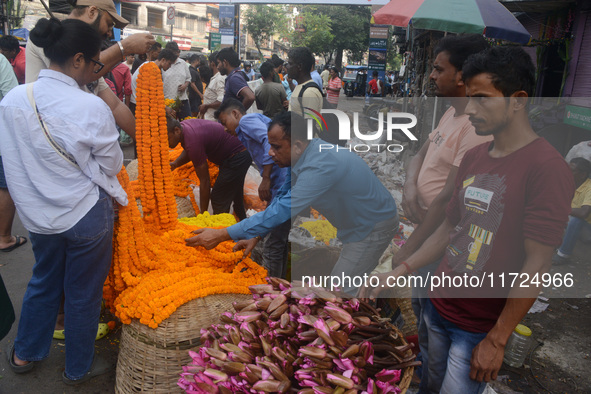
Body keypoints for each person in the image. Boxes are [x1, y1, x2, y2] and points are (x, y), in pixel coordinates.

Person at [361, 46, 574, 394]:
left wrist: (498, 339)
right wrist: (400, 270)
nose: (470, 108)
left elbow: (537, 264)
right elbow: (449, 228)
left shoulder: (547, 169)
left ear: (517, 100)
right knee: (427, 382)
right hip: (437, 304)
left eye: (481, 98)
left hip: (477, 326)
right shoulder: (475, 157)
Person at [1, 17, 127, 384]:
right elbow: (112, 164)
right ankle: (77, 368)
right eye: (95, 64)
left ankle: (25, 354)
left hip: (38, 219)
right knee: (83, 294)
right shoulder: (90, 107)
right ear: (77, 60)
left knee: (43, 282)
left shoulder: (11, 100)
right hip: (85, 216)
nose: (96, 71)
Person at [185, 112, 398, 295]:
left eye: (276, 147)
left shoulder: (319, 167)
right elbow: (281, 198)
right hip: (355, 226)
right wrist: (256, 235)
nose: (269, 153)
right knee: (342, 286)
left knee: (338, 292)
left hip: (371, 227)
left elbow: (283, 209)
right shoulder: (300, 158)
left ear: (297, 145)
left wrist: (222, 234)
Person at [391, 33, 491, 392]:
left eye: (438, 68)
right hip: (425, 231)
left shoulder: (477, 129)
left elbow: (451, 201)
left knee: (436, 322)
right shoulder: (452, 111)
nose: (432, 76)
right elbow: (419, 153)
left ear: (463, 75)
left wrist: (409, 251)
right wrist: (410, 187)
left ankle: (429, 382)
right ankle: (423, 375)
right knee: (422, 314)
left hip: (442, 241)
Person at [25, 0, 156, 141]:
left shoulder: (88, 61)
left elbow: (116, 106)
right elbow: (75, 75)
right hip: (50, 144)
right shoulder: (53, 37)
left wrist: (148, 142)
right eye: (109, 24)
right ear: (92, 12)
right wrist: (124, 47)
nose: (109, 33)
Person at [214, 99, 289, 277]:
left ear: (235, 114)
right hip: (280, 182)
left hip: (279, 182)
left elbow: (267, 140)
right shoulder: (250, 123)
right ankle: (280, 284)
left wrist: (265, 178)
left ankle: (270, 290)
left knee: (272, 244)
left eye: (224, 123)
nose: (225, 129)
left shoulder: (246, 122)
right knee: (279, 240)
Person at [167, 117, 251, 220]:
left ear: (176, 130)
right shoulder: (185, 126)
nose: (166, 143)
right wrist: (175, 164)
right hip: (238, 152)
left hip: (237, 157)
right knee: (235, 193)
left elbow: (205, 180)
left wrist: (203, 215)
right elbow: (189, 149)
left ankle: (221, 229)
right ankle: (242, 223)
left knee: (218, 198)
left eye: (167, 139)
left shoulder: (192, 140)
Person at [0, 53, 23, 253]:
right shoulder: (0, 61)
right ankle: (4, 237)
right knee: (5, 185)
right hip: (2, 136)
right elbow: (10, 98)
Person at [552, 157, 591, 264]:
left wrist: (561, 209)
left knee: (575, 220)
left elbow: (584, 213)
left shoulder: (589, 188)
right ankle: (547, 245)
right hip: (571, 222)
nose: (567, 172)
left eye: (572, 170)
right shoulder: (570, 183)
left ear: (583, 174)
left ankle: (563, 255)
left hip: (587, 229)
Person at [130, 49, 176, 116]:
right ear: (163, 60)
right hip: (138, 106)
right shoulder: (149, 69)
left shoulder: (154, 68)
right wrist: (165, 107)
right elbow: (150, 95)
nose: (170, 66)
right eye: (169, 63)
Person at [287, 47, 323, 116]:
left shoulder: (309, 92)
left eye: (290, 64)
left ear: (300, 66)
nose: (287, 67)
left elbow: (310, 125)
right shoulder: (300, 86)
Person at [163, 41, 191, 119]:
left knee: (187, 122)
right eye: (173, 52)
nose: (175, 54)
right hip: (167, 101)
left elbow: (188, 78)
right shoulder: (163, 63)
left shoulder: (182, 63)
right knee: (170, 125)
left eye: (177, 52)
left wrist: (185, 85)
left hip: (182, 100)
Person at [199, 51, 226, 121]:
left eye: (208, 63)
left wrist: (206, 106)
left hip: (214, 121)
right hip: (208, 119)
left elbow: (222, 101)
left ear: (212, 63)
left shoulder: (219, 78)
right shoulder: (214, 78)